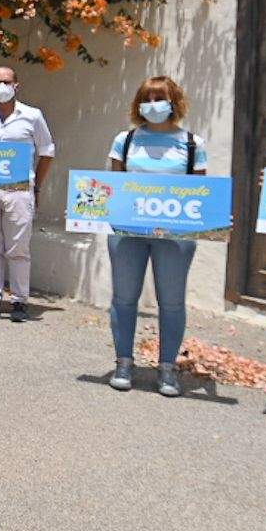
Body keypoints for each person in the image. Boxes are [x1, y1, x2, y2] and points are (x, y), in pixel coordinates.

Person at [104, 76, 211, 397]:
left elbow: (201, 191)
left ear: (174, 102)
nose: (153, 104)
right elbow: (114, 186)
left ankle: (167, 368)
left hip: (175, 236)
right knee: (123, 298)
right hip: (128, 232)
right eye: (146, 99)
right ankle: (123, 363)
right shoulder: (125, 140)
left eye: (159, 98)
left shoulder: (192, 143)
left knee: (172, 302)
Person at [0, 64, 55, 322]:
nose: (2, 86)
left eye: (7, 82)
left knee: (19, 248)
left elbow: (47, 151)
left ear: (16, 85)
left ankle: (19, 300)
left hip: (19, 190)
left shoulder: (32, 116)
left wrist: (36, 186)